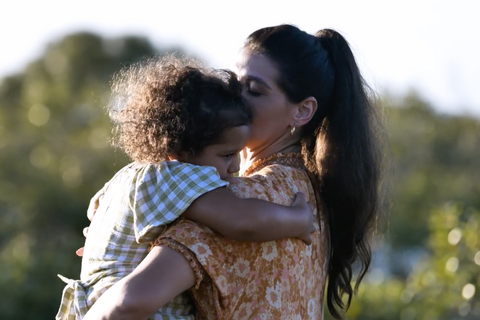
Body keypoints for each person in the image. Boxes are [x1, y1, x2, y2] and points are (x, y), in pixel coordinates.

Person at [84, 24, 385, 320]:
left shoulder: (241, 200)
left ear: (302, 111)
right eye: (233, 83)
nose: (234, 98)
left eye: (254, 90)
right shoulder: (309, 195)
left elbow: (126, 304)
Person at [56, 55, 315, 320]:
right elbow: (241, 219)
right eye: (226, 155)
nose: (236, 166)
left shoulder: (126, 177)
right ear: (179, 150)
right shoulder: (174, 176)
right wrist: (298, 219)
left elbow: (94, 217)